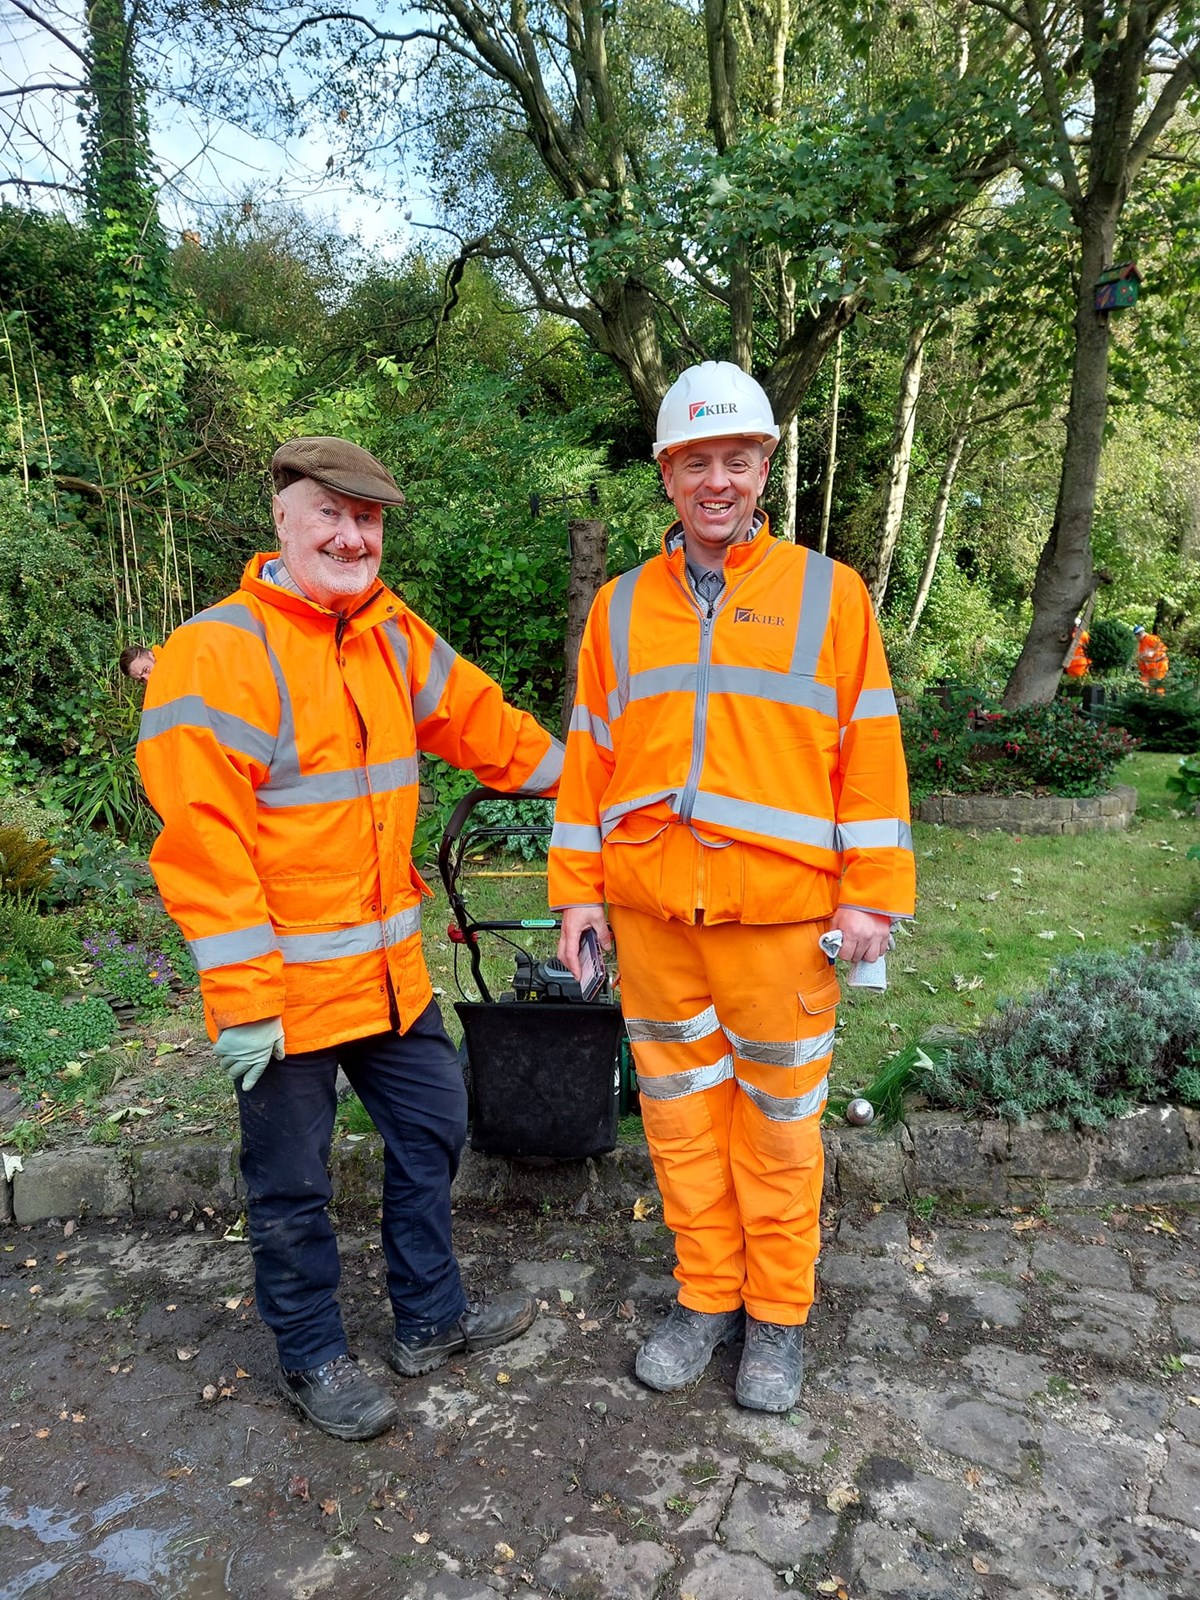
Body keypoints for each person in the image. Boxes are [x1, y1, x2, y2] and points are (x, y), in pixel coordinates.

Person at [137, 436, 564, 1441]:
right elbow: (204, 843)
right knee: (290, 1186)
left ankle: (429, 1317)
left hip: (384, 973)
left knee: (434, 1126)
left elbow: (484, 723)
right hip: (280, 995)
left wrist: (589, 775)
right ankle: (312, 1354)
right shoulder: (218, 651)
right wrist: (241, 998)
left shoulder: (390, 635)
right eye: (329, 511)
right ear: (280, 519)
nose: (350, 533)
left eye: (367, 518)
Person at [549, 363, 914, 1413]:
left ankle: (779, 1319)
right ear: (667, 475)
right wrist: (580, 896)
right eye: (695, 461)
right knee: (677, 1120)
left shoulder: (829, 595)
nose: (718, 480)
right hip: (656, 919)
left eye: (737, 460)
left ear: (764, 468)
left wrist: (870, 895)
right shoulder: (618, 611)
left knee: (781, 1126)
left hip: (785, 925)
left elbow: (872, 754)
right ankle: (705, 1298)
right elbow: (590, 764)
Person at [1133, 624, 1168, 692]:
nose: (1136, 639)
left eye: (1136, 637)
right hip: (1149, 669)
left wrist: (1151, 653)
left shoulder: (1151, 639)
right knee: (1147, 686)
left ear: (1139, 635)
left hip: (1158, 667)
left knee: (1157, 688)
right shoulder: (1141, 643)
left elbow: (1162, 651)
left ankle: (1159, 701)